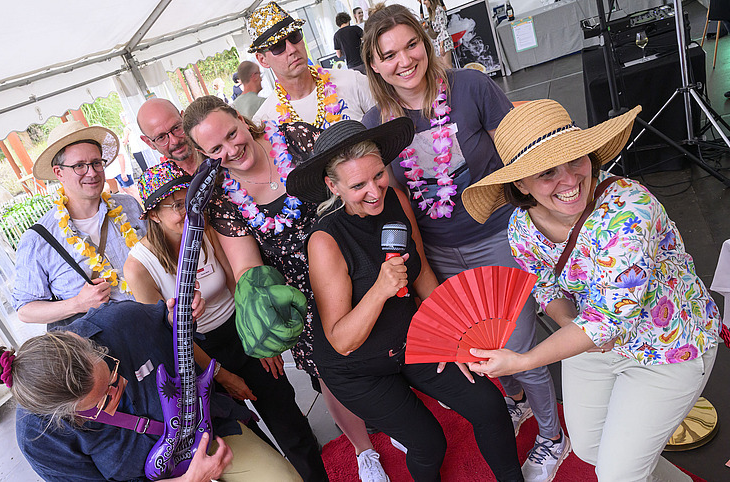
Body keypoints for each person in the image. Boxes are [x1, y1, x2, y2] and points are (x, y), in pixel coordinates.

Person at [462, 99, 722, 482]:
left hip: (669, 346)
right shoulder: (521, 228)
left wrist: (522, 361)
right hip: (592, 338)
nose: (569, 180)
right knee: (589, 448)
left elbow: (610, 320)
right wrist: (570, 322)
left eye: (576, 160)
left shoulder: (629, 210)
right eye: (547, 172)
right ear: (521, 183)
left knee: (617, 474)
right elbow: (546, 288)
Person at [360, 6, 567, 481]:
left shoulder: (472, 87)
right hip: (437, 253)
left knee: (519, 345)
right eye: (388, 54)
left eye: (410, 45)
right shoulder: (378, 120)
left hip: (499, 236)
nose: (404, 60)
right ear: (374, 65)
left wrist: (547, 216)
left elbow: (519, 153)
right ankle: (516, 401)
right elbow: (393, 196)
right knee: (479, 348)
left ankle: (553, 435)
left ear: (425, 42)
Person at [286, 118, 523, 482]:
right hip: (357, 369)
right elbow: (342, 340)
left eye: (378, 175)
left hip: (410, 340)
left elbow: (423, 270)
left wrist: (453, 335)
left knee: (489, 404)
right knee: (429, 443)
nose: (374, 191)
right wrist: (380, 289)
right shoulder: (325, 240)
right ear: (332, 186)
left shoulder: (396, 199)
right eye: (358, 185)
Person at [183, 95, 385, 482]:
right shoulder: (224, 199)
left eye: (231, 133)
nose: (231, 148)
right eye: (216, 149)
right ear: (205, 156)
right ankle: (364, 451)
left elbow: (349, 182)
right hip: (301, 296)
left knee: (379, 343)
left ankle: (396, 421)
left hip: (355, 261)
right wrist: (261, 316)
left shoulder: (297, 139)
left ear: (242, 119)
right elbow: (246, 267)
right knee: (332, 375)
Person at [123, 162, 328, 481]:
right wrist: (220, 374)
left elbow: (236, 280)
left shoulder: (206, 228)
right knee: (245, 440)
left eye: (190, 199)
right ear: (152, 215)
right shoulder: (139, 266)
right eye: (176, 205)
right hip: (197, 357)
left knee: (290, 424)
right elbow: (168, 334)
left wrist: (261, 337)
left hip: (241, 331)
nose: (189, 210)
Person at [0, 299, 302, 481]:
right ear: (62, 414)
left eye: (112, 376)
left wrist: (182, 317)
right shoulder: (37, 435)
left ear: (83, 343)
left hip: (206, 430)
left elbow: (176, 335)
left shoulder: (122, 321)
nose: (117, 391)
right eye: (100, 403)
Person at [11, 121, 145, 328]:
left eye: (96, 163)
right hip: (108, 351)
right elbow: (25, 310)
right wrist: (77, 304)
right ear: (59, 172)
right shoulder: (39, 239)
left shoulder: (128, 206)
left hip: (161, 324)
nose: (91, 173)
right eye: (79, 166)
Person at [249, 2, 375, 129]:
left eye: (294, 36)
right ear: (262, 60)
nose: (292, 49)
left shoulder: (353, 81)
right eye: (278, 46)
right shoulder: (265, 121)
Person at [137, 98, 200, 175]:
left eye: (176, 128)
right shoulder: (160, 183)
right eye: (161, 137)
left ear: (184, 118)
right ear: (148, 143)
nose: (175, 141)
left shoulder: (215, 153)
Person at [420, 0, 454, 68]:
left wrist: (441, 46)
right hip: (437, 43)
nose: (423, 3)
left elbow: (443, 28)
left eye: (425, 0)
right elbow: (435, 26)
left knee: (448, 67)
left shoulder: (439, 10)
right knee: (443, 68)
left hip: (443, 42)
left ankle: (454, 79)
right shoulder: (432, 12)